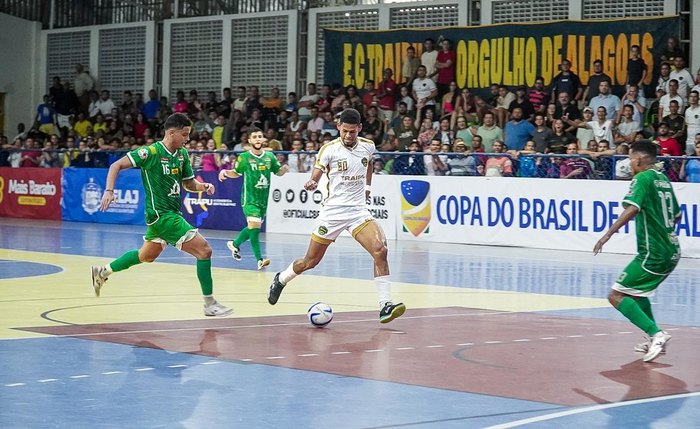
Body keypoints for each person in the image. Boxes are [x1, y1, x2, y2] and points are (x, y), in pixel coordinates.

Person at [267, 108, 406, 324]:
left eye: (352, 132)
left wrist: (367, 187)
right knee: (310, 261)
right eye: (344, 131)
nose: (348, 136)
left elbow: (368, 164)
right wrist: (313, 181)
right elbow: (317, 172)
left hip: (358, 212)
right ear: (339, 127)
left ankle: (385, 305)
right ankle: (282, 278)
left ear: (359, 129)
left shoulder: (368, 146)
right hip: (332, 213)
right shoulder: (328, 149)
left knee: (380, 250)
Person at [90, 113, 233, 317]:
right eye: (184, 135)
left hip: (170, 214)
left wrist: (203, 186)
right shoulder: (151, 152)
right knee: (204, 251)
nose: (187, 139)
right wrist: (109, 191)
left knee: (146, 256)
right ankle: (209, 303)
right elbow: (116, 165)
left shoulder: (182, 154)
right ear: (171, 132)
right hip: (162, 215)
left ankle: (102, 271)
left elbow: (188, 183)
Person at [593, 140, 681, 363]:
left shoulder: (642, 178)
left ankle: (657, 334)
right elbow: (678, 215)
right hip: (670, 248)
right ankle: (653, 336)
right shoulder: (663, 179)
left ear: (638, 160)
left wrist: (607, 235)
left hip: (653, 252)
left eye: (630, 158)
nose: (629, 163)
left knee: (615, 296)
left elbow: (633, 207)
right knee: (636, 292)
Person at [218, 126, 288, 270]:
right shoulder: (244, 157)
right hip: (249, 199)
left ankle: (235, 244)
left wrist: (284, 169)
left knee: (253, 228)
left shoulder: (270, 157)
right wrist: (225, 172)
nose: (257, 139)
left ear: (263, 139)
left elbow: (278, 172)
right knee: (255, 226)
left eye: (259, 136)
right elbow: (236, 173)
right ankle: (259, 260)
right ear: (249, 140)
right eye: (254, 137)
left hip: (263, 200)